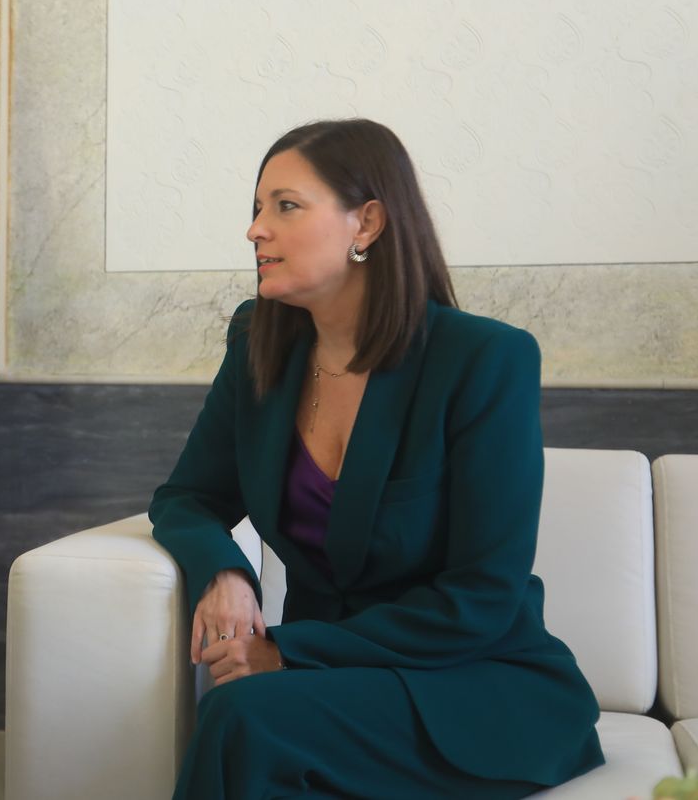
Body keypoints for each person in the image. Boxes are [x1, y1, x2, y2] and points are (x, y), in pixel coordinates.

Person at [150, 119, 604, 799]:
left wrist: (288, 650)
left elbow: (480, 598)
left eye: (286, 206)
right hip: (337, 685)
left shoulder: (483, 359)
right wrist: (225, 573)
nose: (255, 231)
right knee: (251, 723)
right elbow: (187, 498)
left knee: (244, 718)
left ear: (366, 224)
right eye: (255, 209)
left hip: (471, 682)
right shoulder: (258, 346)